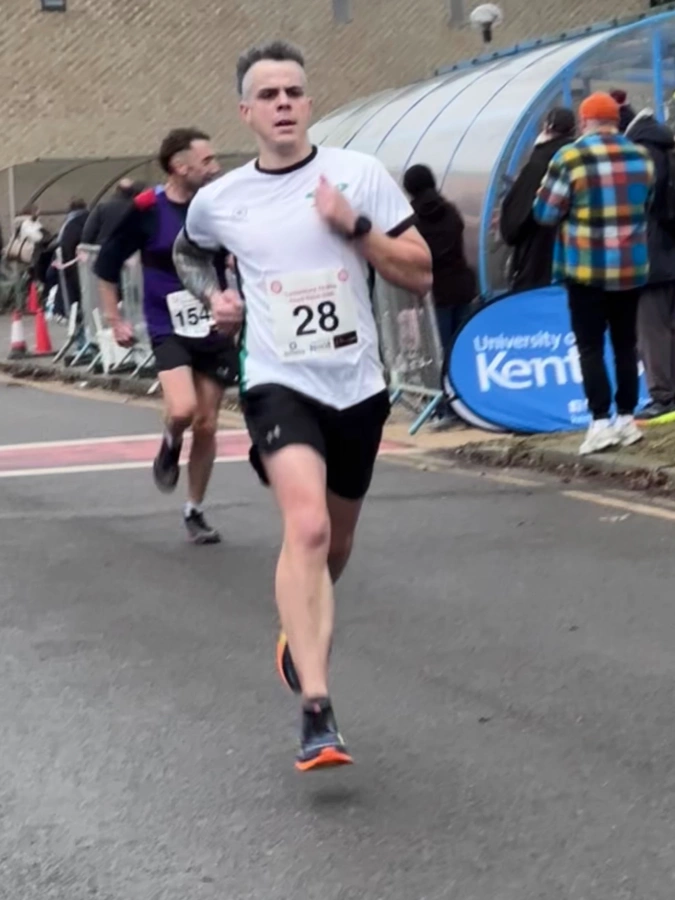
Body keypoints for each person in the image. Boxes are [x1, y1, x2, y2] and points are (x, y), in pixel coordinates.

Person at [173, 40, 432, 771]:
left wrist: (352, 225)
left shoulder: (357, 176)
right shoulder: (222, 200)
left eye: (295, 91)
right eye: (270, 94)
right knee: (308, 526)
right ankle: (316, 711)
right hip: (277, 381)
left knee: (334, 546)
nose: (284, 103)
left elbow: (420, 274)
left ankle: (299, 628)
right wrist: (213, 299)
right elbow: (189, 255)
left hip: (357, 385)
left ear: (308, 103)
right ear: (246, 112)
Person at [95, 128, 236, 544]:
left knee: (208, 425)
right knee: (182, 411)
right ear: (180, 167)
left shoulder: (216, 208)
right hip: (167, 324)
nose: (216, 167)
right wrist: (115, 319)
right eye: (207, 161)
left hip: (214, 326)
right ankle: (170, 441)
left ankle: (194, 510)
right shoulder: (145, 210)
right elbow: (106, 266)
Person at [533, 92, 655, 456]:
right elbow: (645, 206)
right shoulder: (641, 158)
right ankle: (627, 419)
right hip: (631, 266)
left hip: (585, 267)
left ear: (585, 121)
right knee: (624, 344)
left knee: (589, 345)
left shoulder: (569, 157)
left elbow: (545, 213)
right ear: (616, 121)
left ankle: (599, 422)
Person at [625, 109, 675, 420]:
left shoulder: (641, 157)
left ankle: (663, 396)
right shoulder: (670, 152)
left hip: (651, 258)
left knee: (651, 331)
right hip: (671, 253)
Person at [499, 107, 576, 292]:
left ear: (547, 128)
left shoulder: (539, 165)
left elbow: (513, 225)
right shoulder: (581, 161)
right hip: (576, 263)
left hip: (538, 264)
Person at [83, 179, 146, 246]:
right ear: (133, 192)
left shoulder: (102, 207)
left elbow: (88, 232)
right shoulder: (139, 208)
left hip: (104, 248)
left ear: (116, 190)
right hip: (129, 250)